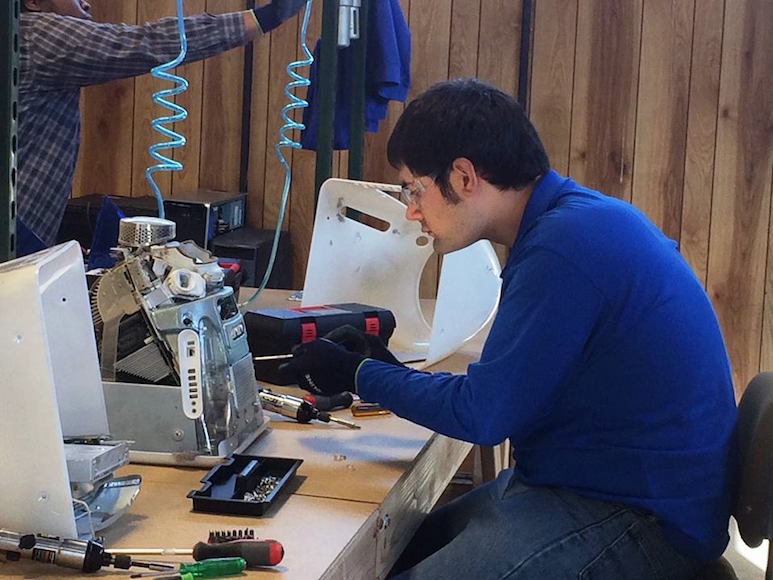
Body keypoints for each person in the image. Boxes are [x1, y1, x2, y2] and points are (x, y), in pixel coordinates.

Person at [283, 79, 738, 579]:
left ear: (462, 176)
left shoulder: (564, 247)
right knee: (392, 552)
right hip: (599, 486)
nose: (412, 211)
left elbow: (483, 414)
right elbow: (504, 394)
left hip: (643, 522)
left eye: (415, 189)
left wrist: (358, 375)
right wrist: (382, 369)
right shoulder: (572, 224)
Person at [17, 0, 307, 255]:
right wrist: (264, 18)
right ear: (32, 2)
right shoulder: (35, 34)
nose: (87, 4)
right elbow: (148, 43)